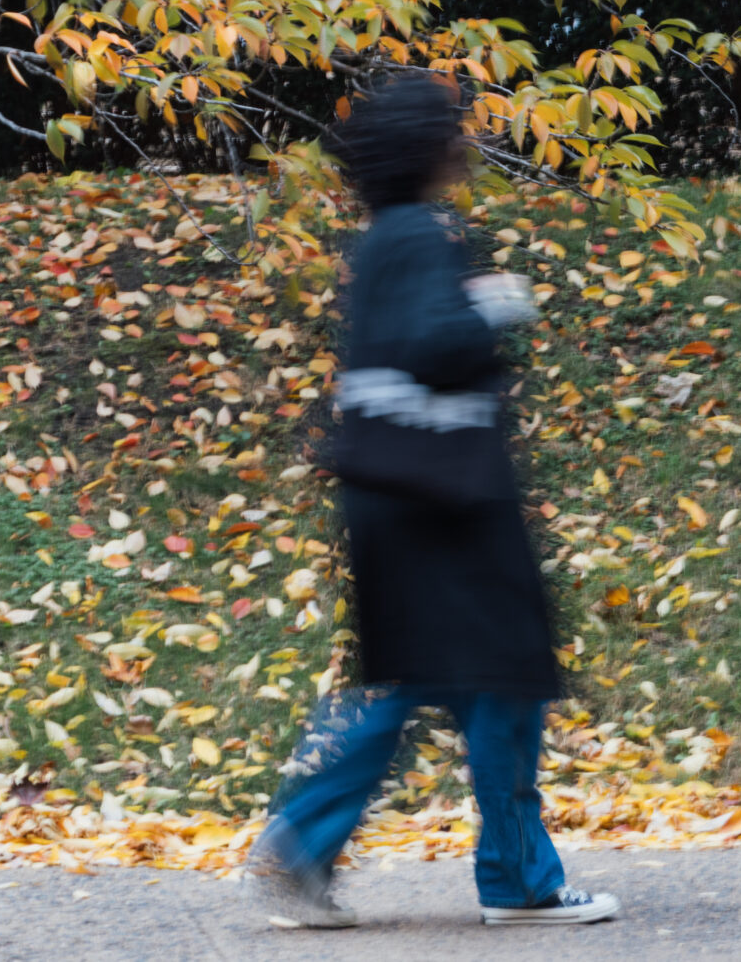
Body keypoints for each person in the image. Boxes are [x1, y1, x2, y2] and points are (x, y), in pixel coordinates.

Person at [244, 76, 618, 929]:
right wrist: (491, 303)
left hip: (392, 499)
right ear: (427, 149)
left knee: (408, 680)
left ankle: (298, 845)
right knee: (505, 677)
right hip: (449, 505)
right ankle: (518, 881)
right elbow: (431, 344)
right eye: (454, 131)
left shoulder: (384, 236)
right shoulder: (420, 235)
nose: (466, 144)